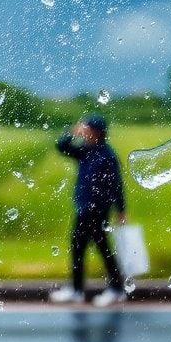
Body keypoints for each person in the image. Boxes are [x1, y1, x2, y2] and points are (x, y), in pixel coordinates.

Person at [48, 113, 128, 306]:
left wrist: (121, 209)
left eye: (88, 129)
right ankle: (78, 290)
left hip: (98, 208)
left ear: (97, 132)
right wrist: (70, 132)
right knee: (79, 247)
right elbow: (61, 147)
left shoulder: (107, 155)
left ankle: (114, 289)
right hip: (84, 206)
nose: (85, 133)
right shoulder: (85, 151)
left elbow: (116, 184)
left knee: (100, 248)